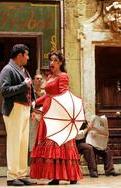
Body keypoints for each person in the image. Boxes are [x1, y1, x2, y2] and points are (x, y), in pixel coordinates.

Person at [30, 51, 82, 185]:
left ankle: (71, 176)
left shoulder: (62, 76)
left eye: (55, 60)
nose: (52, 63)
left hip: (57, 114)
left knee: (60, 143)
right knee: (51, 145)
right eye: (51, 60)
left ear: (60, 63)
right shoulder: (50, 77)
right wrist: (36, 102)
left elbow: (64, 94)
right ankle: (56, 176)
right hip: (47, 114)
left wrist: (60, 110)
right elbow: (48, 95)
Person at [0, 44, 36, 186]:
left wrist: (32, 108)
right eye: (26, 54)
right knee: (14, 142)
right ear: (19, 55)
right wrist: (23, 86)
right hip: (14, 109)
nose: (28, 57)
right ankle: (11, 176)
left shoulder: (23, 70)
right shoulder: (7, 70)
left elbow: (31, 90)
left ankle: (21, 174)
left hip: (25, 109)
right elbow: (5, 90)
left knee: (22, 143)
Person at [29, 74, 45, 151]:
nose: (39, 80)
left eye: (41, 79)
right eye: (37, 78)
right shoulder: (31, 92)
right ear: (33, 81)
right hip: (34, 116)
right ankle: (31, 157)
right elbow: (29, 106)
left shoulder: (44, 93)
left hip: (43, 117)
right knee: (33, 136)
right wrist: (38, 112)